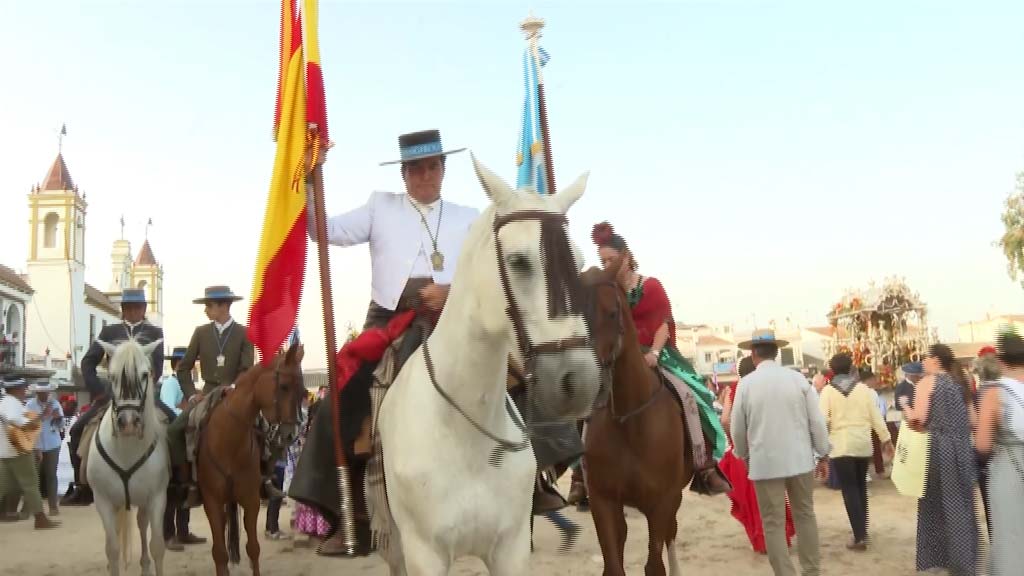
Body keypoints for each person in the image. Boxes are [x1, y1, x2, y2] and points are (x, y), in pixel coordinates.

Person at [291, 129, 481, 555]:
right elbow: (323, 231)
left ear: (443, 170)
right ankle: (351, 516)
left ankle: (535, 484)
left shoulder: (470, 217)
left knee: (523, 368)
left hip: (453, 315)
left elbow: (493, 268)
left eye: (433, 166)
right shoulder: (381, 206)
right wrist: (310, 178)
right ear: (404, 173)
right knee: (338, 398)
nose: (424, 175)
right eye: (415, 168)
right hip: (388, 321)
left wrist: (451, 291)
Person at [591, 221, 731, 495]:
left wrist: (654, 353)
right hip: (618, 358)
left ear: (627, 256)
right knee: (587, 399)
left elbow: (664, 323)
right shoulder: (607, 293)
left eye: (611, 258)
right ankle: (580, 473)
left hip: (657, 353)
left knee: (690, 395)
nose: (607, 264)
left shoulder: (651, 286)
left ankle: (704, 466)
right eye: (603, 260)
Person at [731, 329, 830, 576]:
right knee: (805, 514)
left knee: (773, 523)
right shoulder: (797, 380)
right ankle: (811, 570)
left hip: (765, 462)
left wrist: (743, 455)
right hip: (800, 459)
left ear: (753, 354)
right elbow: (816, 422)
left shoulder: (746, 385)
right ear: (776, 352)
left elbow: (737, 429)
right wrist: (823, 453)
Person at [63, 288, 170, 506]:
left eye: (137, 307)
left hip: (143, 396)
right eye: (128, 308)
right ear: (122, 310)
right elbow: (88, 362)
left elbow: (157, 367)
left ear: (144, 309)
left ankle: (175, 481)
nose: (132, 311)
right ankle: (81, 486)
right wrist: (99, 391)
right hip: (113, 396)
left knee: (176, 427)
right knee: (76, 431)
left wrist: (146, 384)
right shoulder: (109, 332)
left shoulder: (154, 333)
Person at [169, 285, 266, 508]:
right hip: (208, 394)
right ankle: (188, 482)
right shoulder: (201, 332)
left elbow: (246, 367)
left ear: (224, 306)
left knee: (264, 427)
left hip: (236, 393)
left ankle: (264, 479)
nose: (206, 310)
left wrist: (234, 386)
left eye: (209, 306)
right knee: (173, 431)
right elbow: (183, 368)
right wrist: (192, 394)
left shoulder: (244, 333)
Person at [900, 343, 978, 576]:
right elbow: (974, 421)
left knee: (935, 505)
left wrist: (905, 406)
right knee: (962, 506)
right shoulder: (961, 382)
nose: (922, 362)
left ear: (935, 359)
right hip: (963, 448)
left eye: (925, 358)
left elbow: (919, 420)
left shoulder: (927, 382)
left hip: (938, 448)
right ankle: (966, 561)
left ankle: (940, 559)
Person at [719, 356, 796, 554]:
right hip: (771, 447)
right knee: (775, 495)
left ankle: (762, 540)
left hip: (745, 451)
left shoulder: (736, 389)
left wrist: (735, 441)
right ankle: (780, 537)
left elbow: (726, 419)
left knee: (753, 498)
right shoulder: (771, 388)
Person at [819, 356, 893, 551]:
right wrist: (886, 439)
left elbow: (823, 421)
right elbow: (876, 416)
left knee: (850, 490)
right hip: (862, 444)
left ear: (832, 370)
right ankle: (863, 531)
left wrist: (821, 449)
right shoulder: (863, 390)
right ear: (851, 368)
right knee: (860, 488)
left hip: (841, 445)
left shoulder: (827, 391)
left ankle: (859, 536)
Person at [976, 332, 1024, 575]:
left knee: (1011, 532)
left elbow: (982, 444)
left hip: (1009, 467)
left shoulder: (994, 392)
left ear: (1002, 361)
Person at [159, 347, 205, 551]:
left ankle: (183, 531)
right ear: (179, 365)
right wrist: (187, 410)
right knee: (172, 486)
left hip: (186, 434)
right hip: (173, 435)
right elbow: (168, 407)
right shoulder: (171, 383)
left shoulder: (187, 385)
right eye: (189, 363)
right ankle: (168, 534)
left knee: (185, 485)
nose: (194, 366)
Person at [0, 377, 60, 529]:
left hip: (7, 450)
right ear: (16, 389)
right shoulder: (11, 403)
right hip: (17, 450)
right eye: (22, 388)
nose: (24, 390)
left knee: (4, 485)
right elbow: (15, 419)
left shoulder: (7, 402)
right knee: (31, 484)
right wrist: (35, 421)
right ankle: (40, 518)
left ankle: (7, 513)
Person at [25, 380, 63, 517]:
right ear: (37, 393)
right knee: (33, 477)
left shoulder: (55, 404)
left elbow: (60, 425)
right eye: (42, 393)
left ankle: (53, 507)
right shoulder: (30, 405)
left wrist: (57, 418)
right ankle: (29, 508)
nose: (45, 395)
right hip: (35, 445)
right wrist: (43, 415)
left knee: (51, 476)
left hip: (53, 444)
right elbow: (28, 425)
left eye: (46, 392)